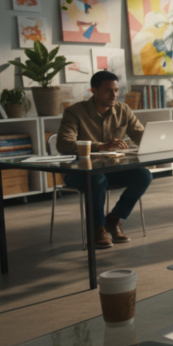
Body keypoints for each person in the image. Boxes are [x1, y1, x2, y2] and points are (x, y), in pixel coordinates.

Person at [57, 71, 152, 249]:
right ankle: (97, 227)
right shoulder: (74, 112)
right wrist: (100, 146)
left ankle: (113, 219)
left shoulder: (123, 110)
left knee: (144, 175)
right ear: (93, 90)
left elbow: (139, 135)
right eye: (108, 90)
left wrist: (155, 142)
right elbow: (63, 144)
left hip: (111, 169)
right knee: (97, 179)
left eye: (116, 90)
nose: (114, 95)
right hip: (79, 171)